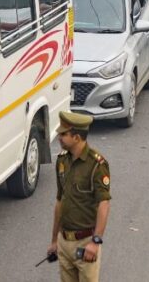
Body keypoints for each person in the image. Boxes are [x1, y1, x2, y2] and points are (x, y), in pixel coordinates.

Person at [47, 111, 111, 282]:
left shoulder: (97, 165)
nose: (59, 137)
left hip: (85, 243)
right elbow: (60, 201)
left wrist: (95, 242)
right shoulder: (62, 161)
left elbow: (104, 204)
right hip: (64, 242)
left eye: (63, 134)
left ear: (76, 137)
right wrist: (54, 240)